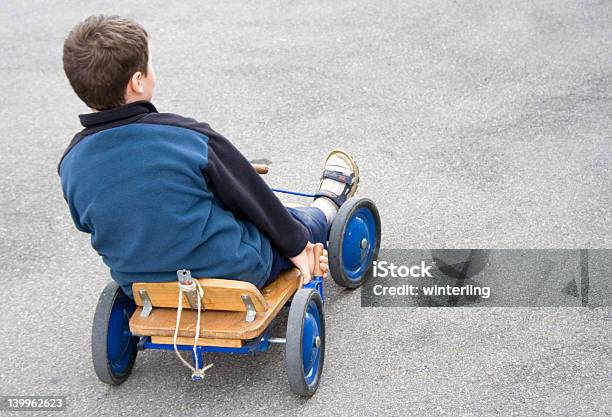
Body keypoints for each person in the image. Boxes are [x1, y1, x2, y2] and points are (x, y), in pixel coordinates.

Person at [58, 15, 359, 298]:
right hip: (234, 270)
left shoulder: (71, 163)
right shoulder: (189, 138)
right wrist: (296, 244)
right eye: (150, 65)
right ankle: (327, 205)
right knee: (293, 219)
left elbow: (88, 223)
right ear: (137, 81)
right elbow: (249, 195)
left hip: (137, 282)